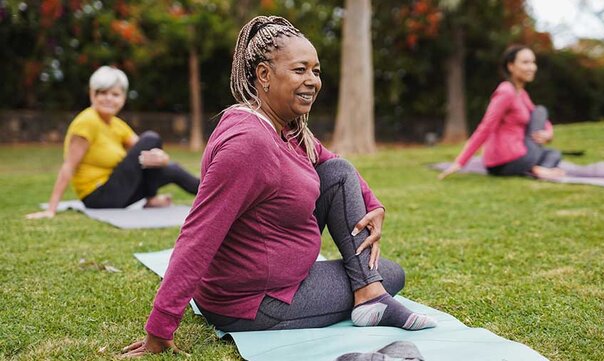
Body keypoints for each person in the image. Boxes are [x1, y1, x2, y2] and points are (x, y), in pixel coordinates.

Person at [121, 16, 437, 357]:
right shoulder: (248, 144)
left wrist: (374, 203)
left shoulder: (283, 128)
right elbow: (199, 235)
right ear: (264, 76)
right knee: (392, 273)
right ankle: (371, 293)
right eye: (300, 69)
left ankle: (369, 294)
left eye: (316, 71)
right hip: (255, 302)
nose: (312, 80)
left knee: (338, 171)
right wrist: (159, 328)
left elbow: (331, 161)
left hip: (277, 279)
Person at [26, 66, 199, 219]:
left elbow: (146, 152)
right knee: (151, 138)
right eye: (103, 93)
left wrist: (163, 159)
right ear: (92, 95)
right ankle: (152, 198)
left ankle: (216, 193)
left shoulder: (116, 124)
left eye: (115, 94)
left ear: (123, 98)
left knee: (172, 169)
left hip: (118, 190)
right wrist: (51, 209)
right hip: (98, 196)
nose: (109, 99)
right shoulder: (87, 122)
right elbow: (68, 166)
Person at [438, 45, 564, 180]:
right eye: (525, 62)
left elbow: (541, 119)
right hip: (506, 160)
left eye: (533, 62)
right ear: (511, 66)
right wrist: (460, 162)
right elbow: (485, 127)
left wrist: (548, 133)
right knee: (541, 110)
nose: (532, 67)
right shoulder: (506, 92)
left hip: (520, 154)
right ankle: (536, 169)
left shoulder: (521, 94)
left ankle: (536, 169)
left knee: (554, 153)